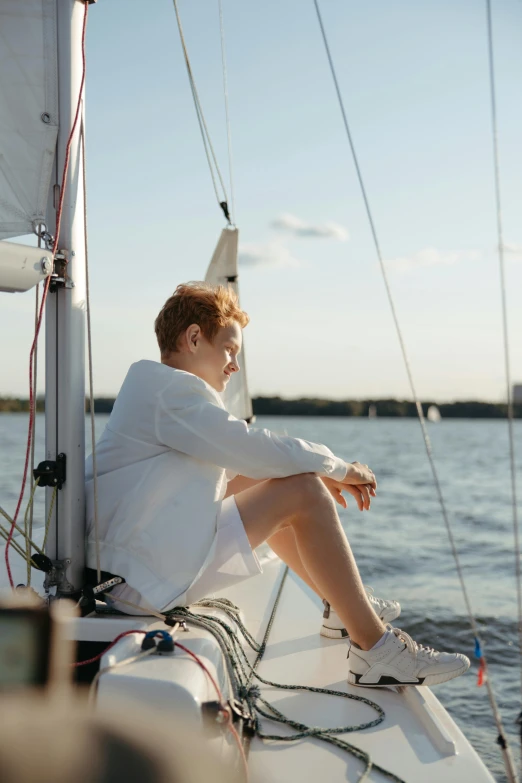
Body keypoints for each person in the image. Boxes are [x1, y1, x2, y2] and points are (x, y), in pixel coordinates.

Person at [86, 282, 469, 688]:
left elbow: (233, 471)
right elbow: (252, 447)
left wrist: (309, 471)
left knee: (294, 483)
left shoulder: (157, 393)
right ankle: (376, 650)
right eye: (230, 349)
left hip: (132, 568)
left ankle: (340, 608)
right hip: (141, 578)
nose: (234, 364)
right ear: (195, 337)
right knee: (302, 492)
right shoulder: (172, 393)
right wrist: (337, 468)